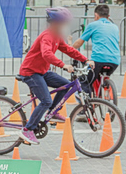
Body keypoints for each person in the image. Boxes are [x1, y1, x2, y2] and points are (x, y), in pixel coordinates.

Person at [17, 7, 89, 144]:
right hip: (31, 72)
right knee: (46, 100)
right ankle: (27, 130)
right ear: (56, 23)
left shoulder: (56, 36)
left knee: (65, 85)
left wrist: (85, 59)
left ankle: (52, 112)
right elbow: (46, 54)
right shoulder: (47, 36)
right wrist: (63, 65)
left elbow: (68, 50)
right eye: (64, 23)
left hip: (42, 71)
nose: (65, 26)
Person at [73, 3, 121, 94]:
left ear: (96, 15)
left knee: (84, 81)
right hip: (115, 61)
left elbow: (79, 43)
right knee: (97, 75)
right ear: (108, 16)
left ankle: (85, 105)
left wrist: (69, 48)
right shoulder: (115, 27)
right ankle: (105, 92)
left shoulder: (93, 25)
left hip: (98, 60)